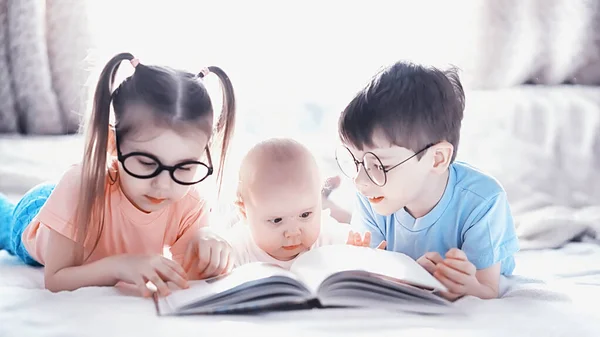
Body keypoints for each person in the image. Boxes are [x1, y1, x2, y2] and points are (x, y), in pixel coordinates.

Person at [0, 52, 235, 298]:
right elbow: (57, 279)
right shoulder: (80, 185)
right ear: (113, 144)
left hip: (72, 200)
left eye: (185, 167)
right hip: (39, 212)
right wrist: (120, 266)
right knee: (5, 223)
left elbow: (184, 277)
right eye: (146, 163)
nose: (163, 185)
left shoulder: (190, 201)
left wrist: (205, 242)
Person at [334, 61, 519, 299]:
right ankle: (328, 204)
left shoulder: (484, 201)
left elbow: (487, 289)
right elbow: (376, 270)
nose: (360, 181)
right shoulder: (371, 195)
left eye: (379, 166)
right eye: (356, 162)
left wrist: (459, 285)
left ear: (437, 159)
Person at [225, 138, 382, 269]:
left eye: (305, 215)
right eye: (277, 220)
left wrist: (360, 257)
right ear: (244, 213)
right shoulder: (235, 251)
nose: (293, 232)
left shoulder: (331, 238)